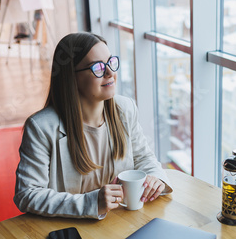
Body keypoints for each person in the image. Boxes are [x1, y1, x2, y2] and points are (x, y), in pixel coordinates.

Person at [14, 32, 172, 219]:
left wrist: (155, 179)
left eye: (110, 62)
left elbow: (144, 158)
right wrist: (91, 202)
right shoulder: (40, 128)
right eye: (97, 67)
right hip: (70, 229)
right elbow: (27, 194)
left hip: (122, 222)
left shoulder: (125, 109)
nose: (110, 72)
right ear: (71, 77)